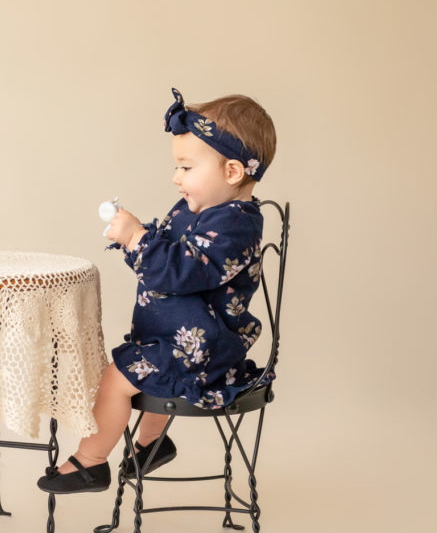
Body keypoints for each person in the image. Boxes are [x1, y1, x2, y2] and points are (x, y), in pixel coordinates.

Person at [38, 87, 277, 494]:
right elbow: (164, 262)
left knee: (116, 380)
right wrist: (139, 238)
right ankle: (151, 445)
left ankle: (90, 463)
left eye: (186, 167)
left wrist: (137, 239)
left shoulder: (236, 223)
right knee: (147, 373)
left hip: (202, 350)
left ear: (233, 172)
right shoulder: (197, 210)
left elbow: (181, 271)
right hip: (179, 341)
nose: (176, 177)